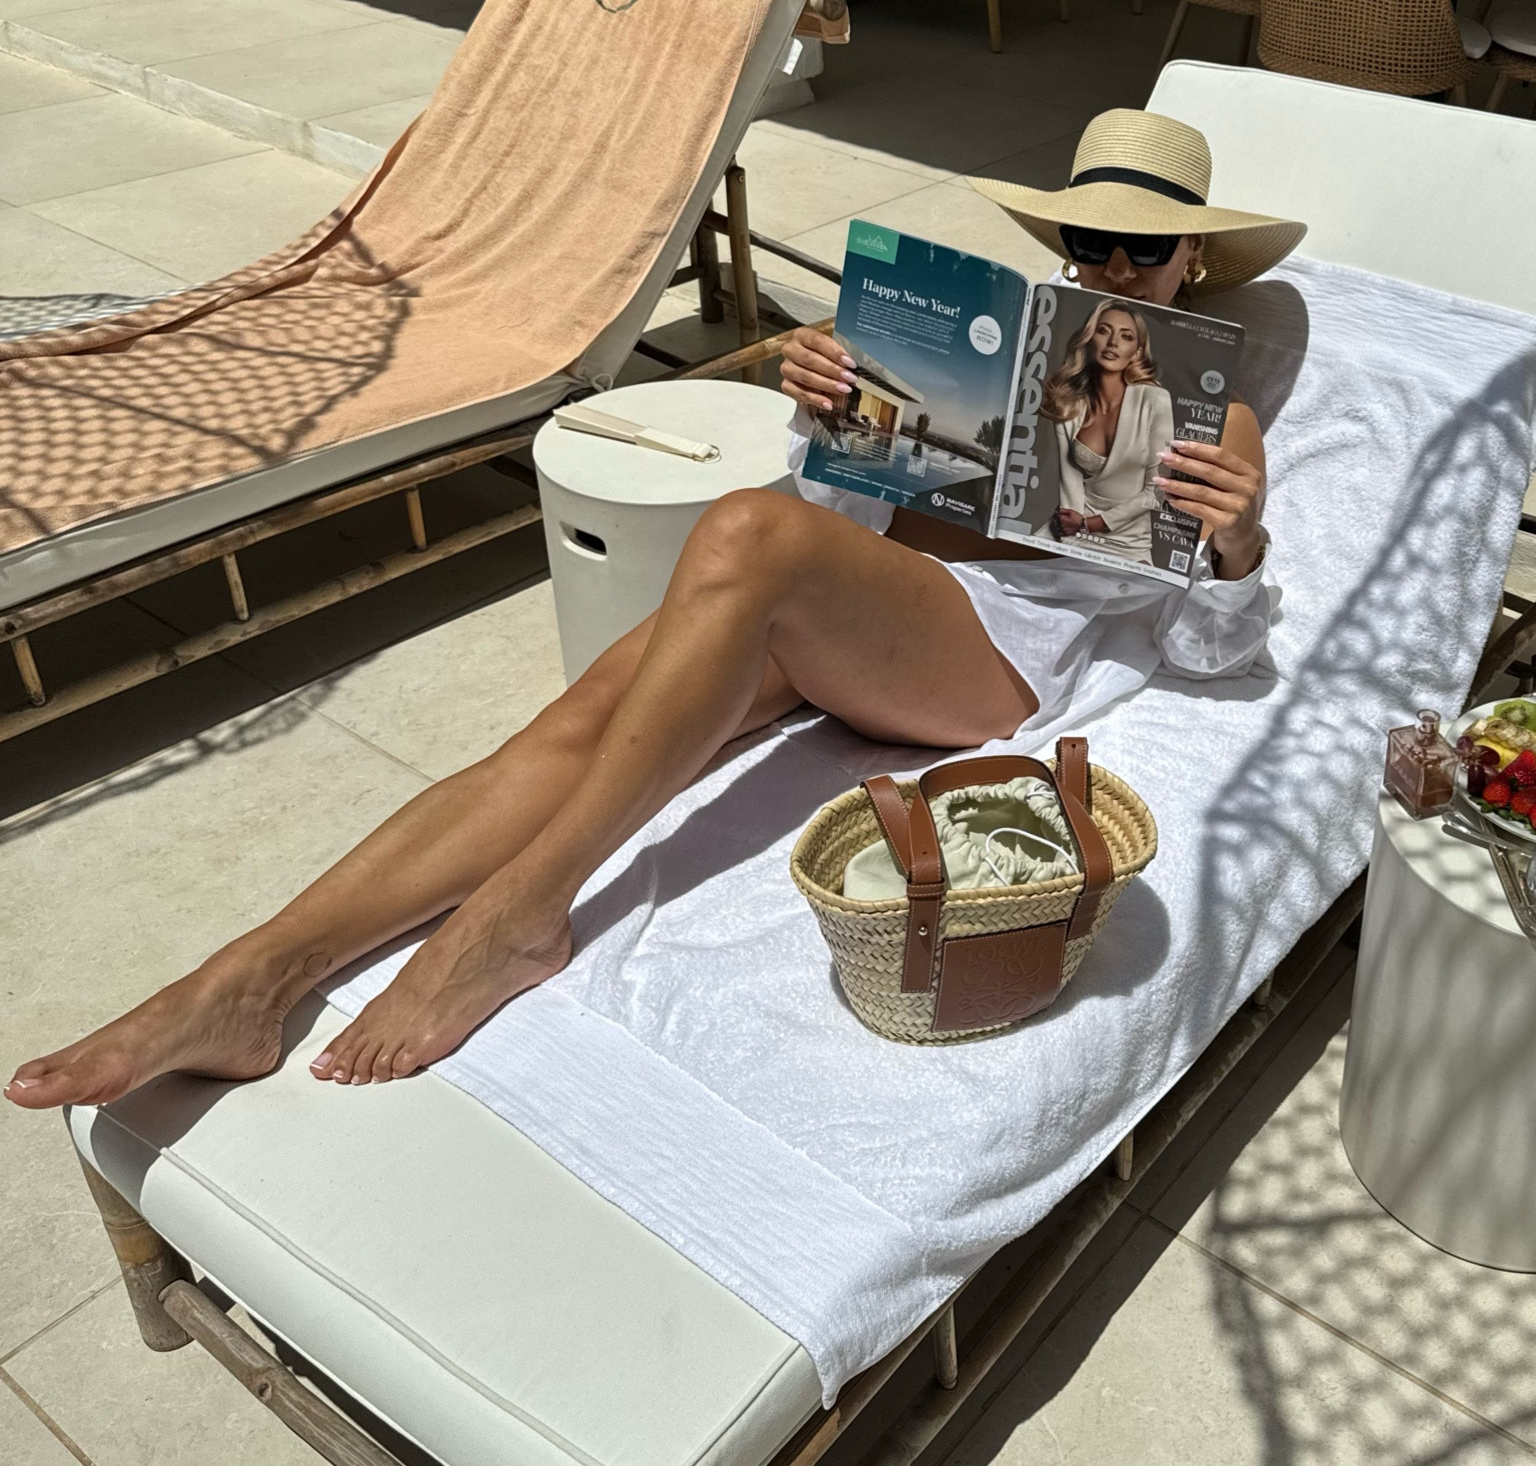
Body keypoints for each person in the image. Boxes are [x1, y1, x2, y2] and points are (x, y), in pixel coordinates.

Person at [5, 108, 1304, 1113]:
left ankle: (522, 913)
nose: (1121, 267)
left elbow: (1211, 659)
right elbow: (842, 534)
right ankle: (256, 973)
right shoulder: (983, 343)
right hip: (870, 618)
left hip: (992, 659)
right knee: (570, 732)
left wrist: (1236, 547)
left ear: (1197, 259)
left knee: (743, 533)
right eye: (1095, 241)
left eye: (1152, 245)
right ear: (1062, 247)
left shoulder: (1211, 417)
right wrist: (831, 424)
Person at [1042, 298, 1173, 564]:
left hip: (1127, 545)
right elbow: (1070, 486)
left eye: (1125, 337)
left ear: (1136, 352)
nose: (1113, 343)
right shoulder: (1069, 406)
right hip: (1072, 532)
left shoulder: (1155, 401)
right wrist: (1073, 533)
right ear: (1090, 339)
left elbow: (1158, 491)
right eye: (1103, 331)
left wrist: (1091, 524)